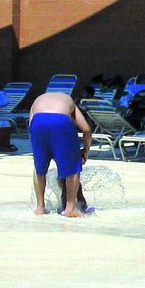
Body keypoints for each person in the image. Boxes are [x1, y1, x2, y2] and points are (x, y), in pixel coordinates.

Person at [29, 88, 95, 217]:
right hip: (61, 121)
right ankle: (71, 207)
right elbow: (87, 130)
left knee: (39, 167)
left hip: (38, 121)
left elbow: (31, 126)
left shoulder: (37, 101)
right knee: (72, 167)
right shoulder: (68, 101)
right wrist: (85, 151)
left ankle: (40, 207)